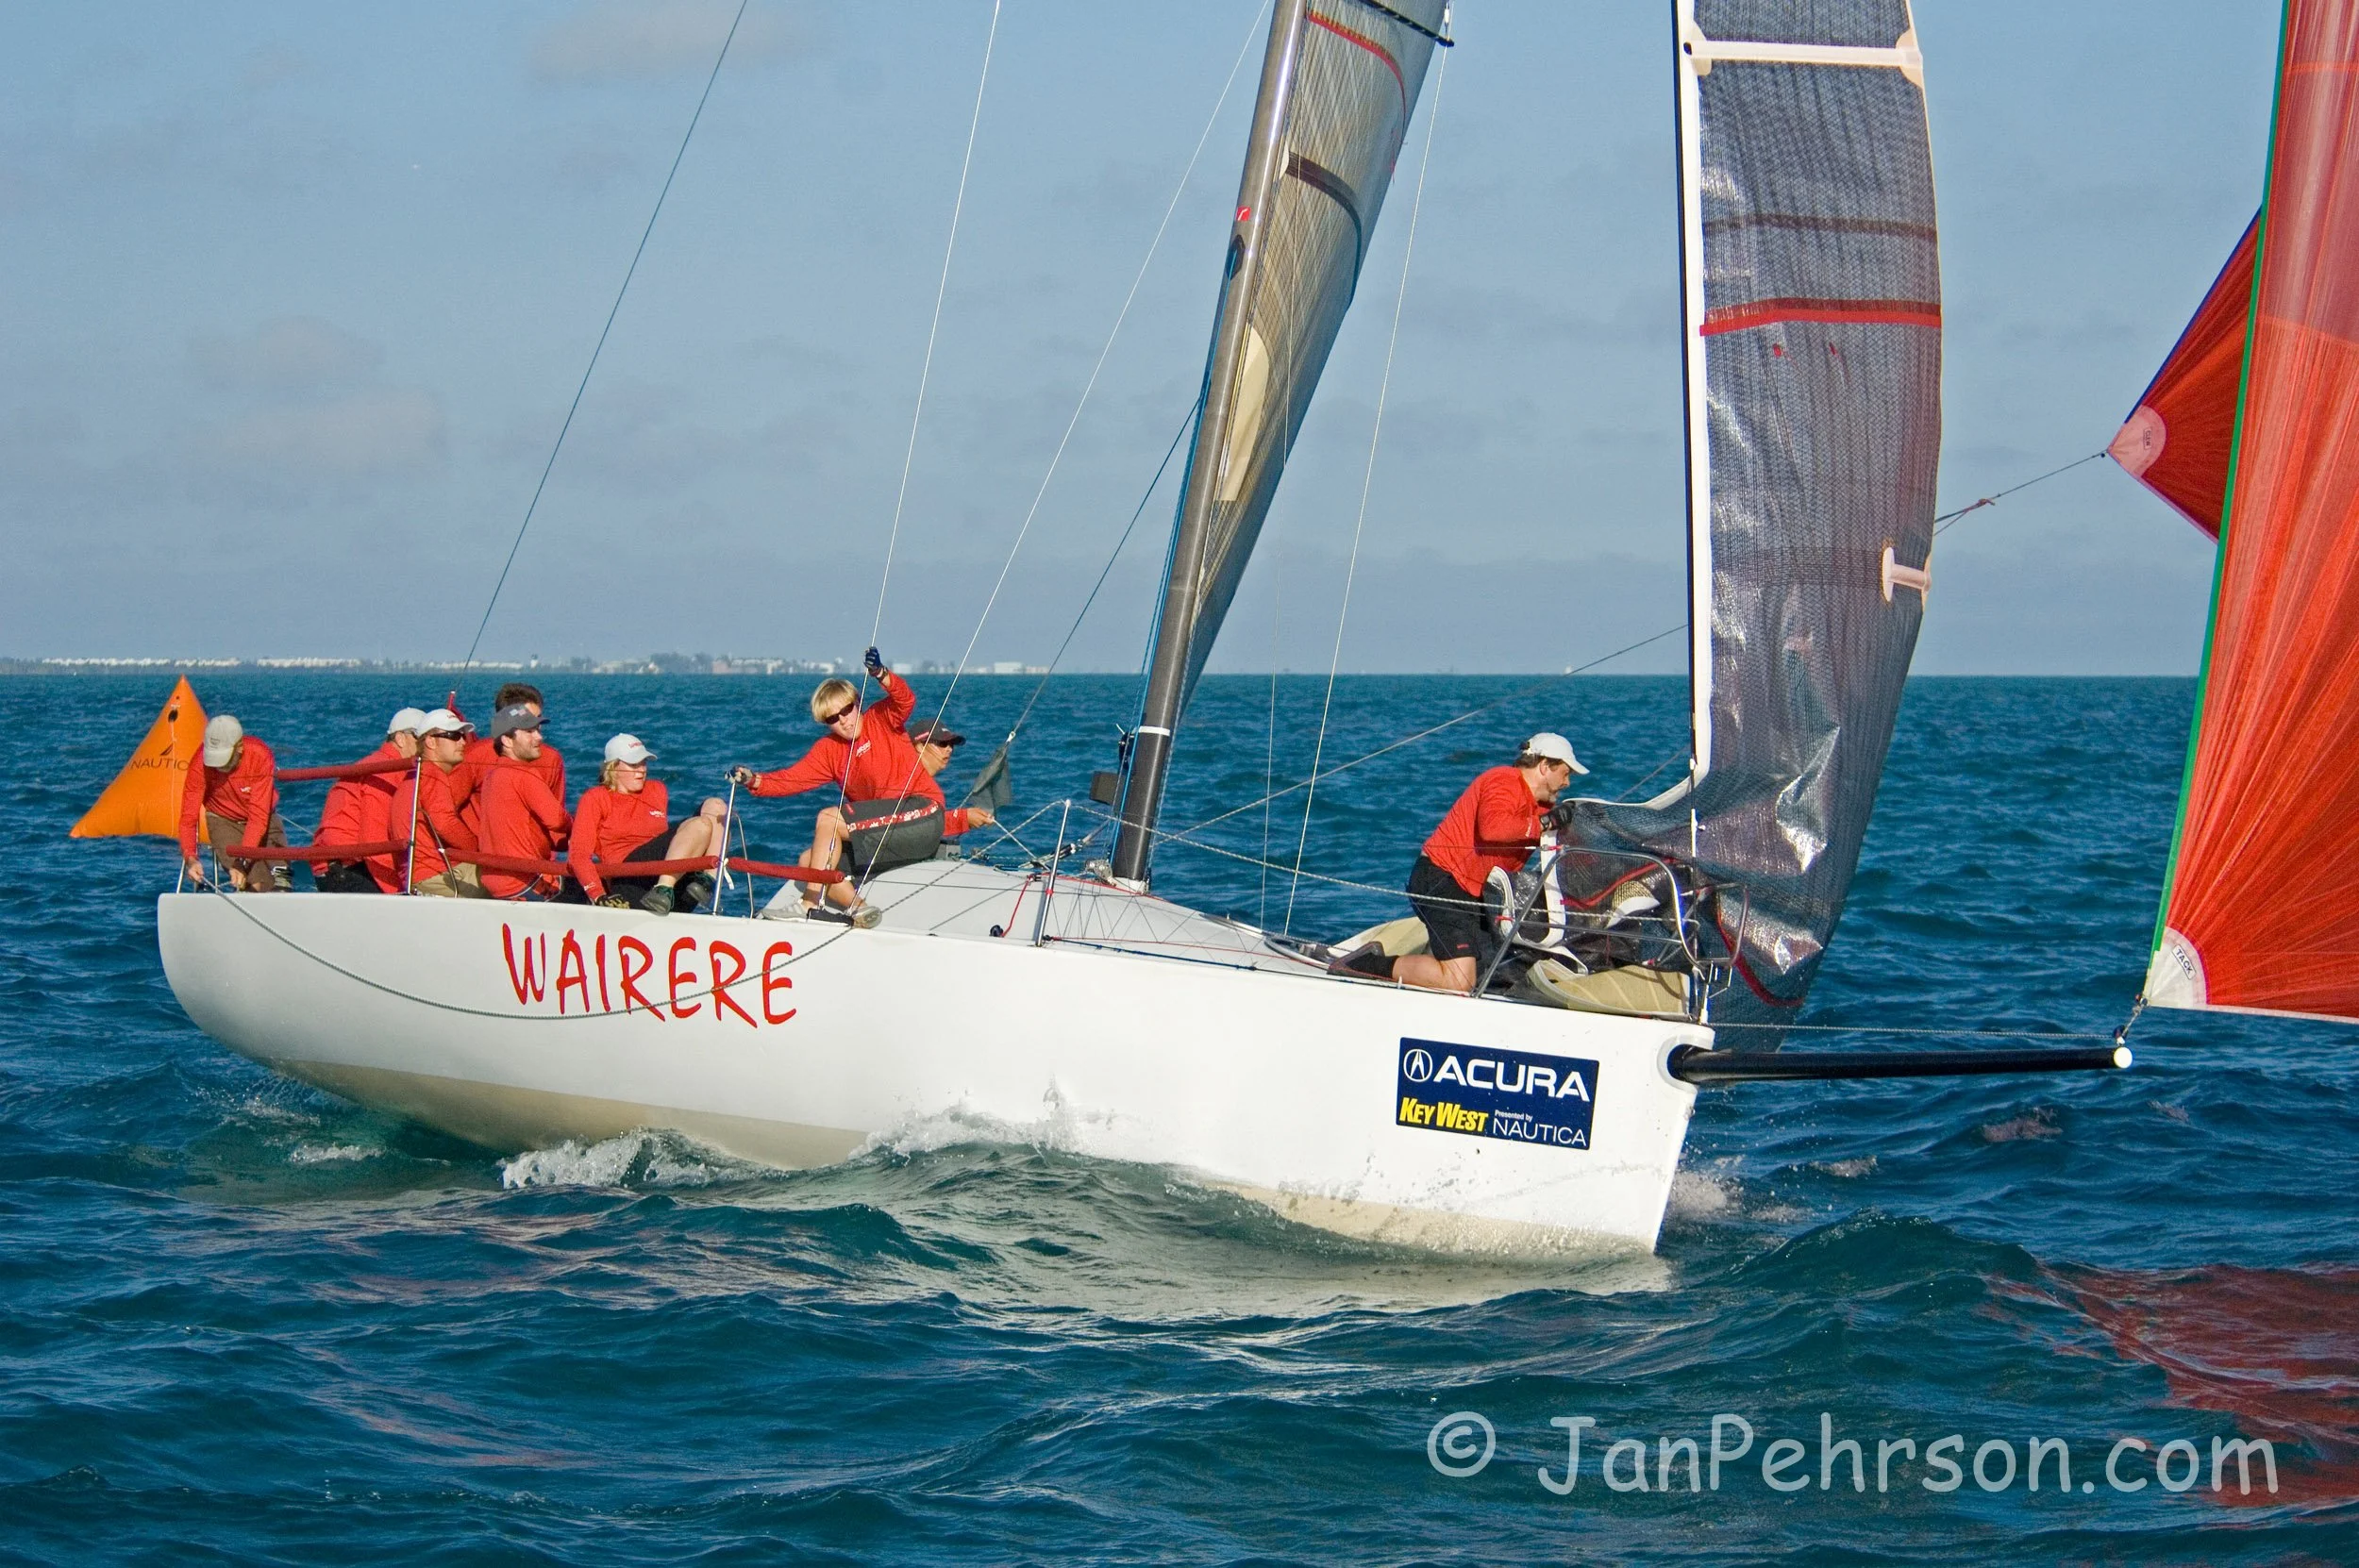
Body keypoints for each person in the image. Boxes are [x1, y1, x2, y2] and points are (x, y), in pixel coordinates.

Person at [1334, 732, 1588, 994]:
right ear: (1544, 766)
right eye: (1565, 773)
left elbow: (1557, 841)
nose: (1567, 783)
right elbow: (1494, 829)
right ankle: (1362, 964)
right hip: (1442, 879)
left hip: (1478, 895)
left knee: (1493, 973)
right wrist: (1546, 823)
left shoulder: (1540, 807)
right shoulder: (1503, 780)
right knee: (1460, 980)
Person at [727, 647, 927, 927]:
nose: (843, 720)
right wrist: (752, 780)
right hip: (880, 830)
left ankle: (808, 905)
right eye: (833, 718)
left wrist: (880, 673)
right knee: (808, 860)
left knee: (828, 818)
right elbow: (791, 780)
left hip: (919, 815)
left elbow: (905, 699)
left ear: (857, 703)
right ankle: (861, 909)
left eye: (847, 710)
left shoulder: (882, 718)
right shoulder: (829, 751)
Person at [569, 734, 728, 915]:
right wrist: (598, 895)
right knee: (700, 825)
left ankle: (706, 881)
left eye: (644, 763)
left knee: (717, 807)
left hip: (663, 872)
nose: (642, 770)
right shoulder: (595, 798)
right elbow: (579, 855)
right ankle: (662, 890)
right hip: (628, 878)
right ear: (613, 767)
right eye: (634, 764)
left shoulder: (656, 789)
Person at [312, 708, 427, 893]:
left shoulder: (382, 765)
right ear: (400, 738)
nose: (426, 745)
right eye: (419, 737)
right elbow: (375, 839)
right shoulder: (386, 771)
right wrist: (399, 889)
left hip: (341, 865)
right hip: (349, 869)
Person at [474, 704, 573, 900]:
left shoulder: (492, 776)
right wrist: (579, 826)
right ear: (506, 740)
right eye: (529, 732)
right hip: (525, 880)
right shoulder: (525, 775)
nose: (539, 737)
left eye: (537, 730)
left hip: (495, 879)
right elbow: (557, 820)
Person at [178, 714, 288, 892]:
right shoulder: (199, 763)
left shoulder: (259, 755)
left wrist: (242, 860)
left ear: (239, 747)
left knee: (283, 880)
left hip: (264, 818)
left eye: (224, 759)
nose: (218, 766)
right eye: (213, 759)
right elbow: (188, 818)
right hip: (222, 820)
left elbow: (258, 817)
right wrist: (191, 858)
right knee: (255, 884)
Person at [388, 709, 484, 896]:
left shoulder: (414, 775)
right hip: (435, 874)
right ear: (430, 742)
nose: (463, 742)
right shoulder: (433, 774)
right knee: (506, 879)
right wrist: (480, 851)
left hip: (415, 875)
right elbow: (445, 824)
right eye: (453, 736)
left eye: (462, 736)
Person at [456, 681, 565, 822]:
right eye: (528, 721)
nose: (537, 726)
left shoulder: (552, 758)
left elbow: (557, 817)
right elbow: (445, 810)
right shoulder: (475, 756)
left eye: (538, 719)